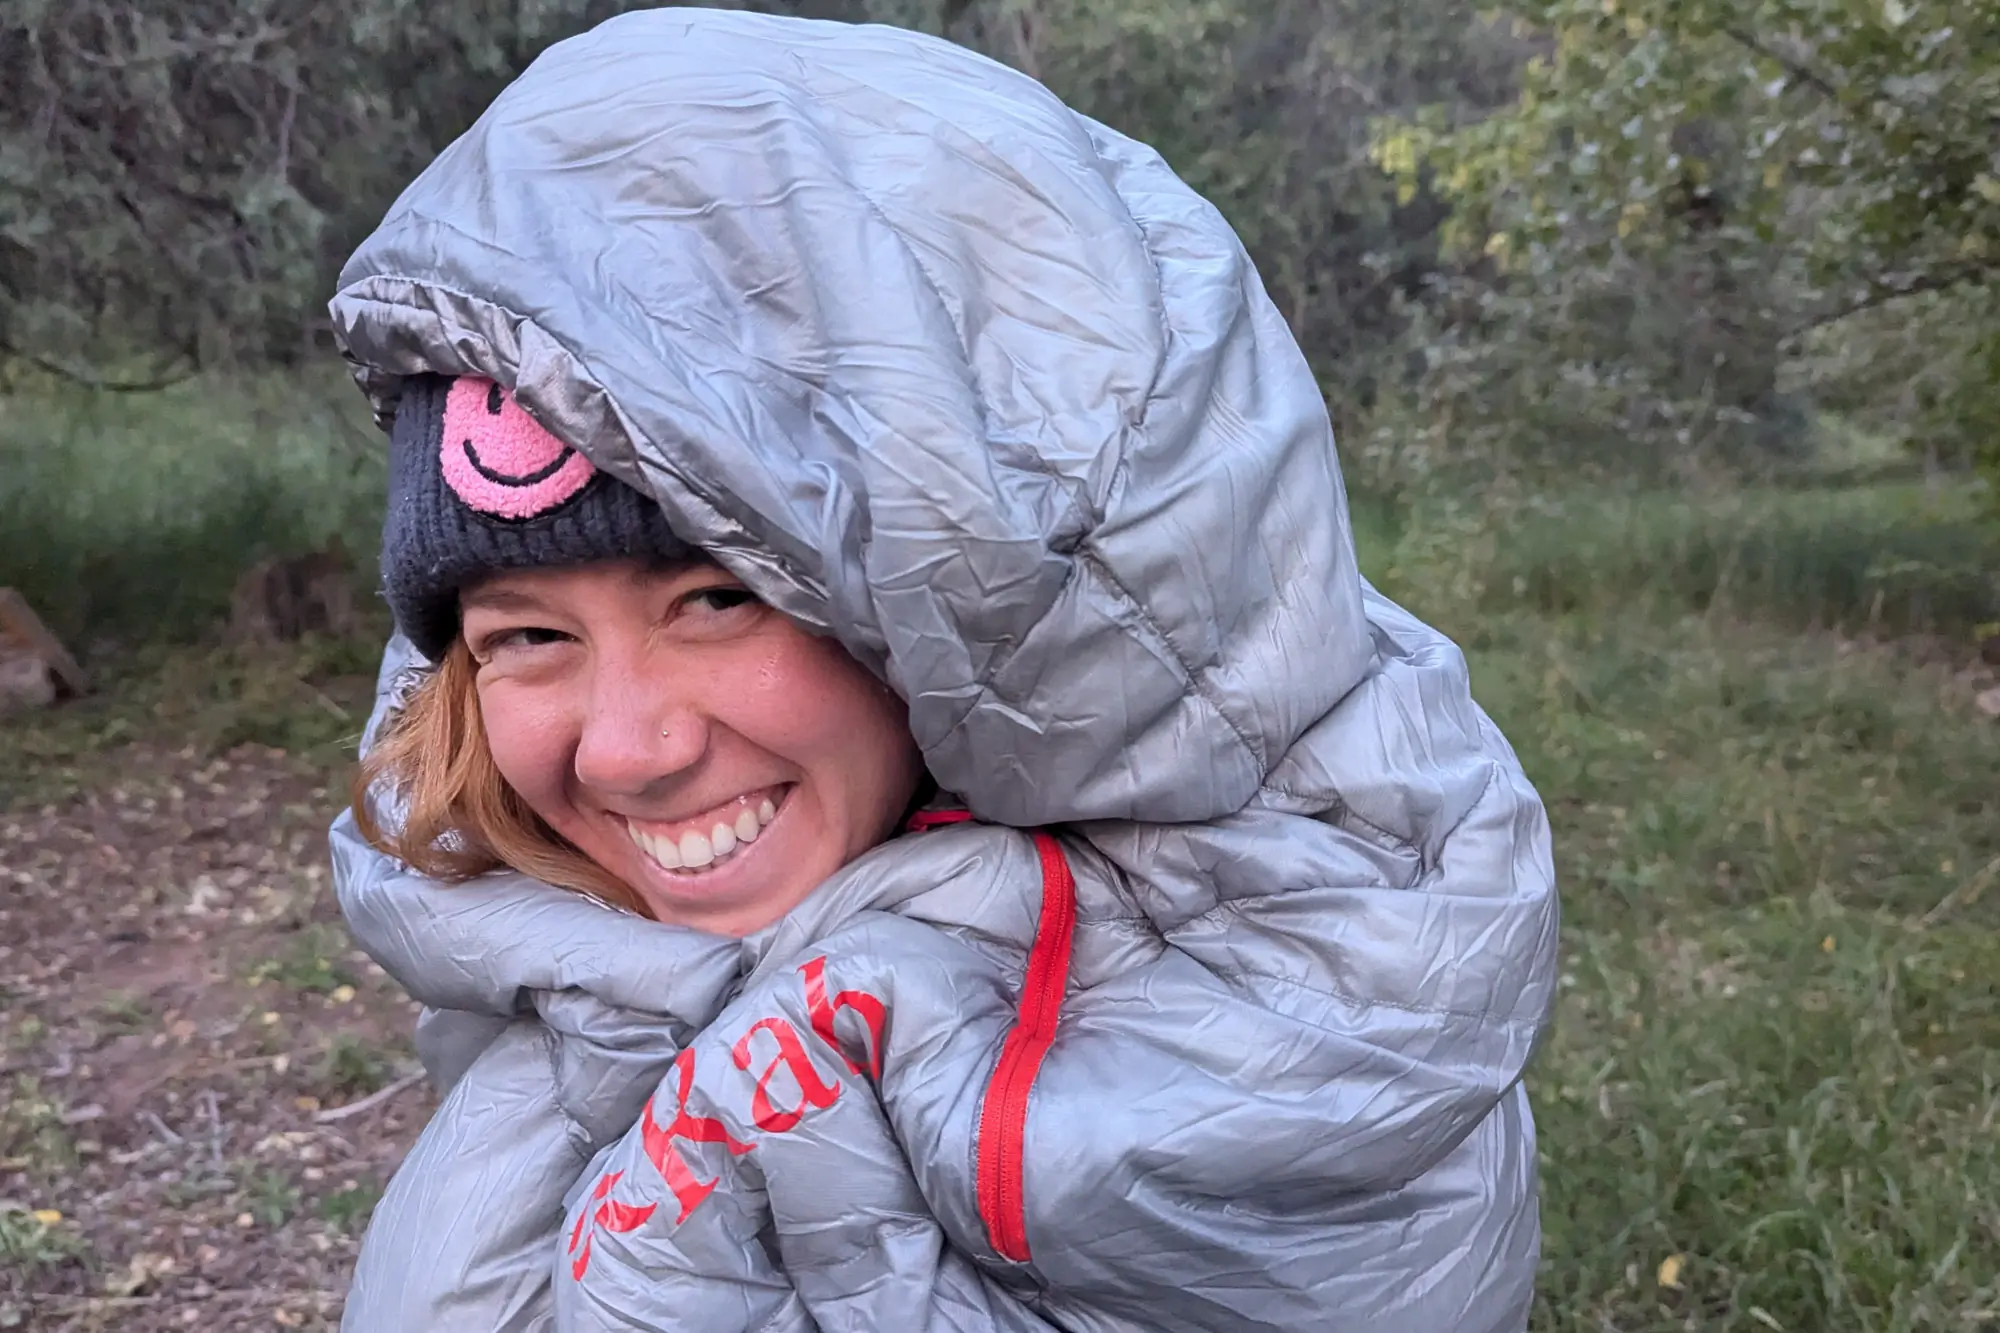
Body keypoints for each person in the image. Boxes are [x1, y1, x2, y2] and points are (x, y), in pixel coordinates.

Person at [328, 9, 1560, 1332]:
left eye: (717, 600)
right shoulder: (560, 946)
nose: (626, 750)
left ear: (959, 596)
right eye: (526, 636)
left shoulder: (1298, 995)